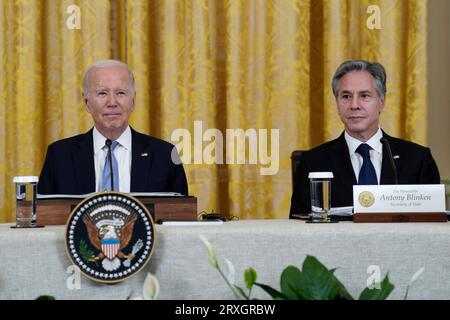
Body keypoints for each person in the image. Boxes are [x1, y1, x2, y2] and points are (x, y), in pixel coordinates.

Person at [290, 60, 440, 216]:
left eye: (364, 96)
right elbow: (299, 229)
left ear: (381, 102)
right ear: (337, 103)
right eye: (346, 96)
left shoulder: (418, 160)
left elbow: (434, 226)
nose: (354, 105)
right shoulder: (313, 163)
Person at [38, 60, 188, 195]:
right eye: (102, 93)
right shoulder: (59, 156)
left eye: (120, 93)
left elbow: (180, 218)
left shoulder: (165, 155)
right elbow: (45, 217)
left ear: (133, 101)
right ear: (87, 103)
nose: (112, 102)